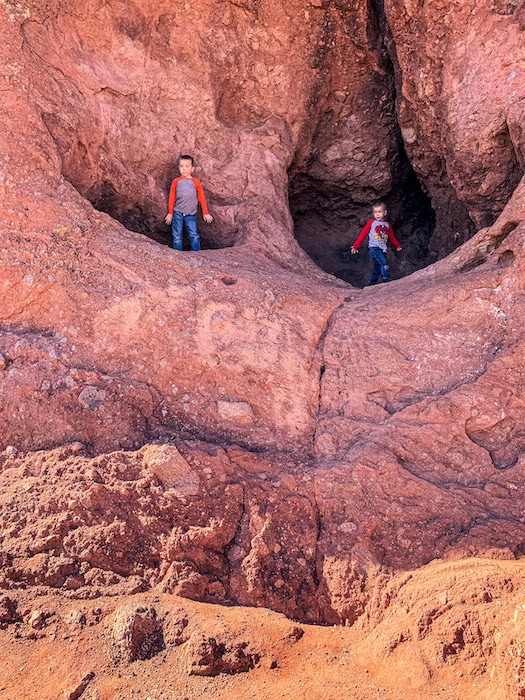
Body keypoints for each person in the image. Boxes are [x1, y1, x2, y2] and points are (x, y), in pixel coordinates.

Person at [164, 155, 213, 251]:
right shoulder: (176, 181)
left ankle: (197, 253)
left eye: (187, 166)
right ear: (179, 168)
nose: (184, 169)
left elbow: (201, 198)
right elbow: (172, 198)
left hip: (191, 214)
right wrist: (170, 213)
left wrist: (205, 213)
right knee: (177, 235)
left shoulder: (196, 182)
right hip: (177, 213)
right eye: (181, 166)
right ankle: (178, 254)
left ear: (192, 169)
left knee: (193, 234)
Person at [351, 202, 402, 285]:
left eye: (379, 212)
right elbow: (363, 234)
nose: (377, 214)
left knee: (378, 267)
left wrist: (397, 245)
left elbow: (391, 237)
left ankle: (372, 281)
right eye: (375, 212)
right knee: (383, 263)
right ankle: (386, 279)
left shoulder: (387, 225)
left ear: (385, 212)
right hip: (374, 248)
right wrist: (356, 246)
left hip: (383, 249)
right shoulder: (371, 223)